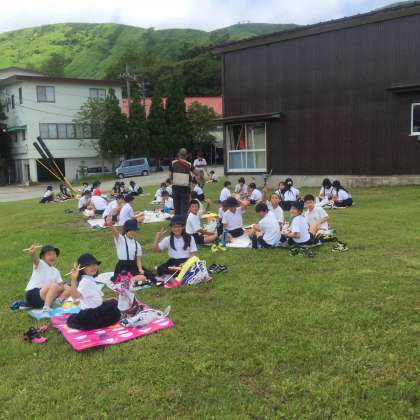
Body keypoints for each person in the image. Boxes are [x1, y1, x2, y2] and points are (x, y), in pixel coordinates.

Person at [67, 254, 121, 330]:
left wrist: (107, 300)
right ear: (82, 269)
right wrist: (73, 280)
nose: (93, 267)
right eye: (89, 265)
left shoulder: (89, 279)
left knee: (114, 303)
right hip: (90, 315)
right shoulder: (85, 282)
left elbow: (95, 298)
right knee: (115, 307)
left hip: (93, 310)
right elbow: (75, 296)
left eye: (94, 264)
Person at [25, 244, 70, 311]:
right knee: (54, 285)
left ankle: (56, 303)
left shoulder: (56, 271)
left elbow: (61, 285)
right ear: (43, 257)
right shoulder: (41, 264)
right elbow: (35, 259)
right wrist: (33, 253)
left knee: (68, 288)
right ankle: (46, 308)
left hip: (45, 297)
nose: (52, 256)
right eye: (49, 254)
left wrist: (67, 284)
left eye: (54, 254)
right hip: (33, 294)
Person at [112, 220, 154, 284]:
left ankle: (131, 280)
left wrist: (140, 269)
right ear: (126, 230)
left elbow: (138, 259)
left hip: (132, 265)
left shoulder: (137, 244)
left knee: (149, 275)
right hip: (122, 266)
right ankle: (128, 280)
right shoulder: (121, 239)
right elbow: (116, 233)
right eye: (130, 230)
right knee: (142, 278)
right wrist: (111, 225)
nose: (133, 232)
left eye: (134, 230)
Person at [170, 148, 197, 216]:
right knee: (184, 209)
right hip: (185, 188)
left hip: (175, 187)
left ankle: (177, 221)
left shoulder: (173, 163)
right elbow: (196, 173)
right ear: (186, 155)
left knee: (176, 208)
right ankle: (183, 221)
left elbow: (170, 176)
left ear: (178, 154)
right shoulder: (189, 164)